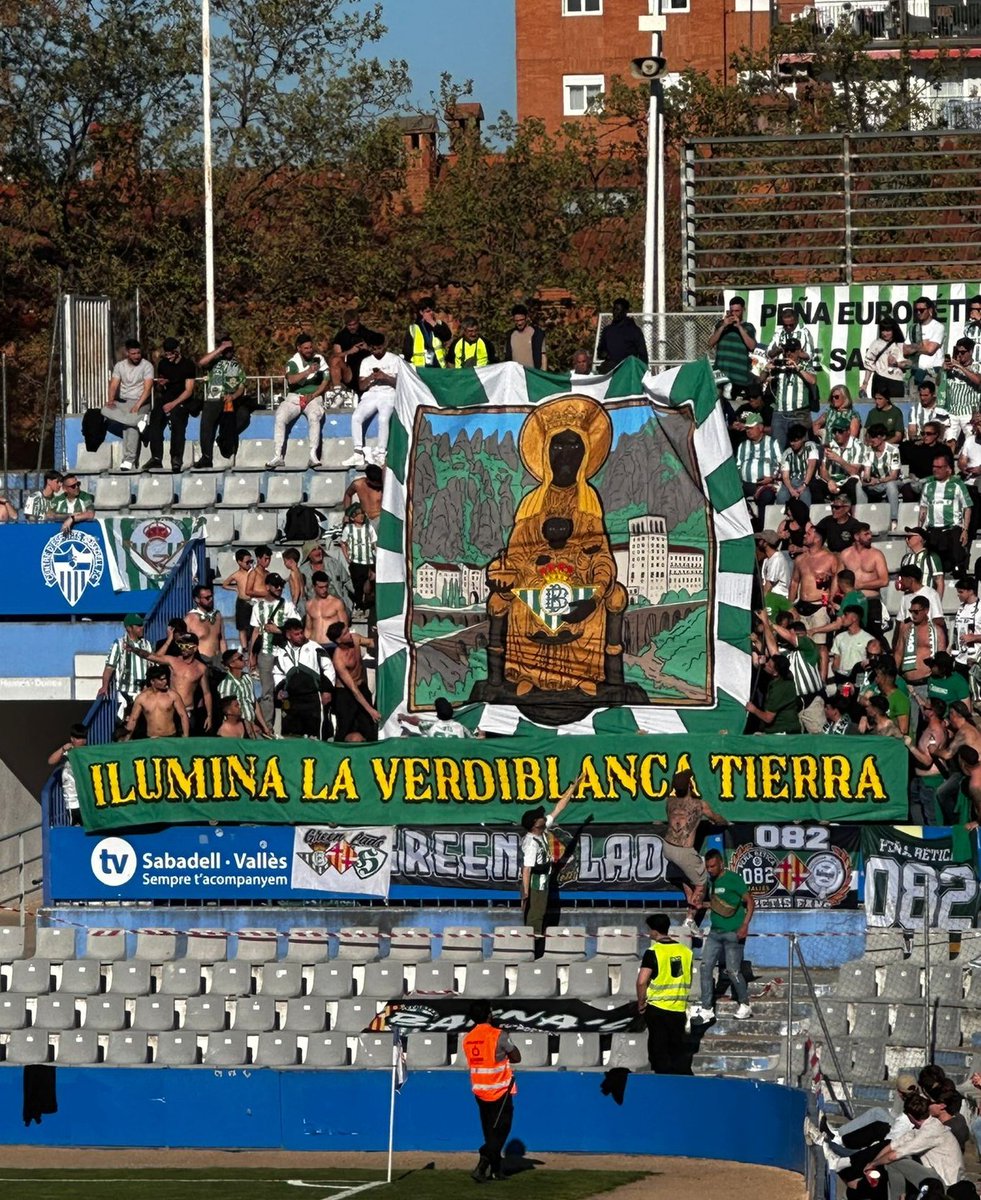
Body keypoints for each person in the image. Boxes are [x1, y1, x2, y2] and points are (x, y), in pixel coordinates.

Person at [485, 397, 628, 694]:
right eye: (557, 447)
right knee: (528, 597)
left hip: (578, 588)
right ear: (545, 452)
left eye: (574, 447)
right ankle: (527, 674)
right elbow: (513, 556)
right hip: (535, 585)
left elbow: (602, 557)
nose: (565, 455)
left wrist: (595, 591)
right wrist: (520, 569)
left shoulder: (590, 505)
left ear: (586, 454)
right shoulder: (531, 504)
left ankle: (583, 676)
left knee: (598, 599)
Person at [661, 768, 729, 933]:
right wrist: (723, 821)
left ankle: (690, 905)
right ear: (691, 784)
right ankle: (690, 921)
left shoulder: (669, 802)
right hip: (684, 851)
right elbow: (716, 819)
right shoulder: (699, 805)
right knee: (701, 883)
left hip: (667, 846)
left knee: (686, 876)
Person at [690, 849, 754, 1023]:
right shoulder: (711, 881)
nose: (709, 870)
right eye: (707, 867)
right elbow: (719, 905)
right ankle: (706, 1009)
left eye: (712, 866)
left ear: (721, 864)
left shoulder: (734, 879)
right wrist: (700, 904)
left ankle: (745, 1004)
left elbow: (750, 901)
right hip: (715, 932)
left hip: (734, 932)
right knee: (705, 967)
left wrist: (745, 925)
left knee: (733, 970)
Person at [461, 1000, 521, 1184]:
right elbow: (517, 1057)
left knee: (490, 1132)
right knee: (501, 1131)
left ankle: (495, 1170)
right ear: (489, 1014)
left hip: (480, 1091)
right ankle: (483, 1161)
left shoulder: (468, 1038)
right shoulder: (498, 1035)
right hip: (499, 1090)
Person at [863, 1090, 965, 1195]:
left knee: (894, 1161)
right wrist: (872, 1165)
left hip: (946, 1184)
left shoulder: (930, 1132)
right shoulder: (924, 1127)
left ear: (910, 1116)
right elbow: (892, 1146)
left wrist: (873, 1164)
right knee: (892, 1160)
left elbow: (892, 1156)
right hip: (937, 1175)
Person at [518, 776, 579, 939]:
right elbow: (527, 869)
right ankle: (533, 947)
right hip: (535, 883)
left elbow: (559, 808)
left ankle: (537, 942)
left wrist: (573, 787)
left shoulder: (543, 831)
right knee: (535, 916)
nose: (543, 817)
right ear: (534, 824)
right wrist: (525, 894)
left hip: (544, 881)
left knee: (541, 913)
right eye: (539, 816)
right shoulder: (531, 843)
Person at [635, 913, 693, 1075]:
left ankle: (662, 1086)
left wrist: (641, 1003)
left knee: (658, 1052)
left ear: (654, 931)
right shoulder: (685, 951)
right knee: (676, 1050)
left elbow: (641, 981)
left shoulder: (653, 951)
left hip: (657, 1008)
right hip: (678, 1008)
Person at [267, 333, 330, 470]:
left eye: (310, 347)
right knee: (280, 416)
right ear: (299, 348)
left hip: (313, 397)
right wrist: (308, 372)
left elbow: (326, 379)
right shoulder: (293, 362)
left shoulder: (319, 359)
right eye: (305, 348)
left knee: (314, 416)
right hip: (295, 397)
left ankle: (313, 455)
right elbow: (291, 380)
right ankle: (278, 455)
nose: (309, 350)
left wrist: (314, 394)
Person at [249, 573, 299, 731]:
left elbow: (297, 627)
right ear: (267, 586)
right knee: (267, 692)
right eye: (275, 585)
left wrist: (278, 630)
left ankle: (291, 726)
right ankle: (268, 727)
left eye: (281, 585)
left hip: (286, 653)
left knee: (291, 688)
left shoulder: (288, 605)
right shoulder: (258, 607)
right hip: (266, 652)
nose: (279, 588)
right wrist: (252, 655)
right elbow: (256, 631)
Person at [344, 331, 400, 469]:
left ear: (384, 345)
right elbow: (362, 386)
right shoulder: (366, 361)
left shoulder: (394, 359)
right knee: (356, 417)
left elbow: (400, 383)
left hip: (388, 394)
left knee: (383, 419)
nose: (376, 352)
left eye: (379, 348)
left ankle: (381, 452)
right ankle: (358, 452)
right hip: (371, 394)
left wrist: (385, 377)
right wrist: (371, 377)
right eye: (373, 349)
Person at [272, 618, 334, 739]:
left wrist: (327, 690)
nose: (300, 636)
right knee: (293, 734)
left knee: (316, 733)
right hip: (292, 699)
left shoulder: (315, 648)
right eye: (296, 634)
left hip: (313, 698)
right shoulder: (281, 651)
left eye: (301, 633)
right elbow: (277, 672)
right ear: (288, 635)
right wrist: (279, 689)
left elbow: (328, 668)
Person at [144, 629, 213, 735]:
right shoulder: (173, 661)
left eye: (186, 645)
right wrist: (134, 650)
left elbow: (206, 693)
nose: (183, 648)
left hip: (188, 710)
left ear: (194, 648)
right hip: (171, 710)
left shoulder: (201, 668)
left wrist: (209, 715)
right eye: (181, 645)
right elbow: (152, 657)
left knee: (186, 744)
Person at [195, 334, 248, 468]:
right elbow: (201, 362)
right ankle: (206, 457)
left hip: (231, 399)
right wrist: (220, 349)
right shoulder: (214, 361)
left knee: (243, 416)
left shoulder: (237, 366)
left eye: (230, 348)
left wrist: (233, 396)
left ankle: (224, 438)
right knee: (207, 423)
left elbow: (241, 386)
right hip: (214, 398)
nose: (228, 351)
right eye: (225, 348)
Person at [100, 339, 154, 470]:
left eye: (138, 353)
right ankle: (138, 421)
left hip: (141, 402)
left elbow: (147, 389)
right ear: (127, 353)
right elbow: (113, 385)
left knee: (129, 427)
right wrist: (111, 399)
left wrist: (137, 406)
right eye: (133, 353)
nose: (136, 356)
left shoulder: (147, 366)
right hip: (124, 402)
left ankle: (129, 460)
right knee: (104, 410)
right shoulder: (120, 366)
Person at [146, 337, 198, 471]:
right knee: (155, 418)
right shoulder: (163, 364)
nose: (168, 357)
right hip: (167, 397)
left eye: (171, 354)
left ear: (177, 352)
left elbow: (188, 390)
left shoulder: (188, 365)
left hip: (182, 399)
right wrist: (161, 385)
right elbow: (161, 386)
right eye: (166, 354)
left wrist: (173, 404)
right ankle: (156, 458)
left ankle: (176, 458)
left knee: (177, 421)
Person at [920, 450, 973, 574]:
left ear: (948, 469)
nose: (935, 469)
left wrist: (965, 530)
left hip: (952, 529)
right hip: (933, 530)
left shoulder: (958, 485)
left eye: (939, 467)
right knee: (934, 566)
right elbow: (923, 508)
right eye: (934, 466)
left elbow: (967, 508)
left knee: (956, 564)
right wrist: (920, 529)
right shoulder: (928, 485)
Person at [325, 621, 379, 741]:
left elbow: (372, 643)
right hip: (346, 695)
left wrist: (380, 635)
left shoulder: (355, 639)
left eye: (347, 630)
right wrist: (370, 710)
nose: (349, 634)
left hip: (362, 688)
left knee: (369, 728)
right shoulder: (339, 659)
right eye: (345, 634)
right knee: (346, 730)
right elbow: (353, 689)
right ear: (338, 640)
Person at [765, 338, 817, 450]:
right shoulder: (779, 365)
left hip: (799, 413)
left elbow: (813, 380)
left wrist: (798, 368)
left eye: (792, 350)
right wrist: (766, 369)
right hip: (779, 413)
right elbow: (759, 380)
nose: (789, 353)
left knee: (802, 448)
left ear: (799, 351)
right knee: (778, 449)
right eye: (786, 350)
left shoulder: (805, 365)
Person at [734, 412, 781, 529]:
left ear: (760, 428)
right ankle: (747, 520)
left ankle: (761, 528)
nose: (748, 431)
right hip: (746, 484)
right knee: (731, 494)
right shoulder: (743, 445)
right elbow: (738, 466)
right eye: (746, 428)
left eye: (751, 428)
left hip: (767, 483)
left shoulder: (772, 443)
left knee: (766, 496)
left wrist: (772, 478)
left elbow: (780, 464)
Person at [99, 614, 151, 719]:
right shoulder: (119, 644)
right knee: (126, 723)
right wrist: (105, 686)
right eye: (138, 625)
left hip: (145, 692)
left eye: (142, 625)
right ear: (129, 628)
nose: (142, 628)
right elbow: (109, 667)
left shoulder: (146, 644)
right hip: (126, 692)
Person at [840, 523, 889, 628]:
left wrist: (861, 585)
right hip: (852, 602)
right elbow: (838, 577)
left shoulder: (877, 555)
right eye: (866, 534)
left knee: (874, 637)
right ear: (856, 536)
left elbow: (884, 580)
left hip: (871, 601)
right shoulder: (845, 554)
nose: (870, 536)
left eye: (870, 533)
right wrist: (831, 598)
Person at [123, 665, 189, 739]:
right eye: (161, 680)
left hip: (170, 737)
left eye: (165, 679)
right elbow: (133, 720)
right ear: (152, 681)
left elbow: (183, 716)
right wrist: (126, 740)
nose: (165, 681)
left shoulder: (172, 695)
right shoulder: (142, 698)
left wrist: (186, 737)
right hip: (151, 738)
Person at [902, 295, 947, 401]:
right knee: (914, 406)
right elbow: (905, 350)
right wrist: (923, 344)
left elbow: (930, 350)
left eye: (921, 310)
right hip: (916, 373)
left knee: (932, 405)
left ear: (930, 310)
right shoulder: (913, 328)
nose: (918, 312)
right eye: (916, 310)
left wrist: (914, 346)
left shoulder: (938, 327)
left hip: (931, 375)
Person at [707, 296, 757, 389]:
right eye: (732, 311)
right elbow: (710, 343)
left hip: (739, 374)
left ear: (743, 310)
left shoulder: (748, 327)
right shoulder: (721, 325)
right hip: (720, 373)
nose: (734, 314)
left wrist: (739, 327)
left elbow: (752, 346)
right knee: (718, 401)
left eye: (737, 311)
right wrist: (723, 326)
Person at [217, 647, 269, 738]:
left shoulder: (247, 678)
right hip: (237, 727)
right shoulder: (226, 685)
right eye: (240, 658)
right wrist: (248, 725)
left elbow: (254, 703)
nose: (244, 659)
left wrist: (264, 726)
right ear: (232, 664)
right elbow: (229, 710)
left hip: (252, 726)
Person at [860, 424, 902, 532]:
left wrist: (878, 480)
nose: (871, 439)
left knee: (891, 485)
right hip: (877, 484)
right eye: (870, 436)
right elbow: (867, 472)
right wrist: (867, 480)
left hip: (892, 481)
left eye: (874, 436)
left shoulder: (894, 451)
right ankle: (861, 519)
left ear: (882, 437)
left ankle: (894, 520)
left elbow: (893, 475)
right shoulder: (868, 451)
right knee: (858, 485)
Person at [745, 653, 800, 733]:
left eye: (769, 665)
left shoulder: (779, 689)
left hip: (781, 730)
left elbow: (768, 718)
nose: (766, 664)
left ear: (776, 673)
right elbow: (768, 669)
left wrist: (754, 709)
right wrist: (763, 664)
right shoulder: (786, 677)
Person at [47, 724, 88, 825]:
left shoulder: (88, 753)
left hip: (87, 800)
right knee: (74, 830)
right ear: (72, 739)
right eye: (78, 738)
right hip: (72, 800)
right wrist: (63, 749)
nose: (82, 741)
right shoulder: (66, 753)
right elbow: (51, 761)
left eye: (83, 738)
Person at [815, 426, 866, 507]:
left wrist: (838, 459)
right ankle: (820, 514)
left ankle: (853, 513)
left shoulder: (858, 446)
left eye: (840, 431)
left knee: (853, 483)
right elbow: (823, 471)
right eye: (835, 431)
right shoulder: (830, 445)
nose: (837, 434)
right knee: (815, 484)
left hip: (848, 480)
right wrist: (829, 481)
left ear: (848, 431)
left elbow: (855, 471)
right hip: (833, 480)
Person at [340, 503, 377, 614]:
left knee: (369, 582)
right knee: (358, 584)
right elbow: (343, 543)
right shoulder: (348, 529)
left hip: (368, 560)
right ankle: (358, 605)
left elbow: (374, 542)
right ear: (353, 517)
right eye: (358, 515)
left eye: (362, 514)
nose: (361, 517)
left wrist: (377, 554)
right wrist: (347, 556)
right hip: (355, 561)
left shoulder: (369, 528)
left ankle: (368, 605)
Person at [331, 309, 376, 395]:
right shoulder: (341, 336)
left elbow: (379, 351)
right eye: (349, 325)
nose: (352, 327)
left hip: (366, 368)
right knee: (335, 360)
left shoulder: (367, 333)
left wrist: (368, 348)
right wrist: (349, 352)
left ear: (358, 322)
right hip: (349, 371)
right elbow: (336, 355)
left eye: (354, 324)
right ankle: (337, 394)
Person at [861, 318, 907, 400]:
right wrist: (865, 383)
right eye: (883, 330)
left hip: (897, 381)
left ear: (894, 330)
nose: (885, 334)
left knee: (897, 406)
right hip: (880, 379)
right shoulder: (876, 344)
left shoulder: (901, 345)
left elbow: (908, 363)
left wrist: (896, 363)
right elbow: (869, 364)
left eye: (888, 330)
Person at [220, 548, 256, 651]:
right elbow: (225, 584)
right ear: (239, 562)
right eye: (247, 562)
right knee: (242, 628)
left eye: (251, 561)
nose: (249, 564)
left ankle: (253, 647)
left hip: (253, 601)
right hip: (242, 602)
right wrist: (234, 588)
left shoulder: (253, 573)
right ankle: (244, 649)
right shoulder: (236, 575)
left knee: (254, 627)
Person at [951, 577, 981, 699]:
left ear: (971, 591)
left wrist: (973, 638)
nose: (958, 595)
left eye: (961, 592)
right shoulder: (961, 608)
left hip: (975, 658)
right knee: (961, 694)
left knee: (975, 693)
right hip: (960, 658)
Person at [597, 298, 647, 371]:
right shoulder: (607, 330)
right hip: (610, 369)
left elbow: (643, 355)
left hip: (627, 370)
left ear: (625, 311)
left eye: (618, 310)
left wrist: (642, 371)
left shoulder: (634, 331)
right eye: (614, 309)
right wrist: (604, 354)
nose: (615, 312)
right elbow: (600, 351)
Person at [775, 422, 818, 506]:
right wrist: (791, 490)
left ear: (802, 439)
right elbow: (785, 476)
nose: (792, 444)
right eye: (791, 441)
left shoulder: (810, 447)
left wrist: (804, 485)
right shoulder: (787, 453)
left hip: (806, 480)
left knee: (805, 496)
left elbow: (811, 466)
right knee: (781, 496)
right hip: (791, 481)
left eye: (795, 441)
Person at [184, 583, 226, 667]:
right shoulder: (190, 618)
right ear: (197, 599)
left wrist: (225, 658)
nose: (211, 599)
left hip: (218, 660)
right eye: (207, 598)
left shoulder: (217, 615)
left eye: (211, 596)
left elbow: (222, 640)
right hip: (201, 661)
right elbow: (184, 644)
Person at [404, 297, 451, 368]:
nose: (431, 313)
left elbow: (447, 336)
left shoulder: (439, 324)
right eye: (428, 311)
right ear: (421, 312)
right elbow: (407, 352)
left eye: (433, 310)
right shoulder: (413, 328)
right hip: (421, 369)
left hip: (439, 367)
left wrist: (433, 323)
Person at [305, 572, 349, 645]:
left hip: (332, 644)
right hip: (314, 644)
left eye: (326, 586)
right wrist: (305, 646)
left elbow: (344, 627)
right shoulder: (309, 604)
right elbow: (308, 629)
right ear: (314, 586)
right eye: (321, 587)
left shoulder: (337, 603)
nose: (324, 590)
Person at [398, 696, 474, 738]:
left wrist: (403, 717)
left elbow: (414, 721)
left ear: (438, 713)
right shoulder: (460, 727)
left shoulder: (431, 725)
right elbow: (474, 740)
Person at [901, 529, 946, 600]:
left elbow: (939, 582)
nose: (907, 539)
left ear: (921, 538)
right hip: (908, 599)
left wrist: (938, 602)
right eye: (906, 537)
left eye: (910, 537)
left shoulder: (932, 557)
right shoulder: (906, 559)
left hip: (927, 600)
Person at [342, 464, 384, 533]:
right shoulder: (357, 484)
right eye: (376, 483)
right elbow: (348, 494)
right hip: (364, 518)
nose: (378, 484)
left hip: (380, 519)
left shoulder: (383, 487)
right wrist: (347, 514)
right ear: (368, 480)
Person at [908, 378, 951, 445]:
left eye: (925, 395)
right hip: (920, 443)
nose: (922, 398)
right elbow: (912, 431)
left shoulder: (942, 409)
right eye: (921, 395)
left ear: (933, 394)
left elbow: (944, 430)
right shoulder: (914, 409)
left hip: (938, 444)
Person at [504, 304, 547, 370]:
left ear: (526, 318)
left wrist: (544, 375)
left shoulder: (537, 334)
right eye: (517, 321)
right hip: (515, 375)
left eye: (521, 320)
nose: (519, 323)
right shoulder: (509, 336)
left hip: (533, 374)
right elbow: (506, 359)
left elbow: (543, 356)